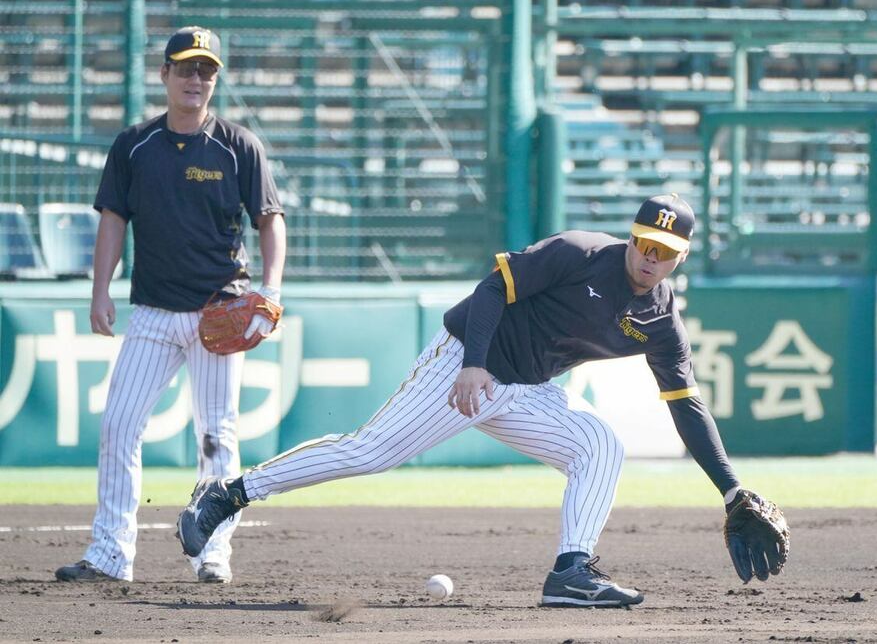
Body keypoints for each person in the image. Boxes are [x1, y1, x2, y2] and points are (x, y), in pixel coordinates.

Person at [177, 194, 773, 606]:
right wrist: (473, 364)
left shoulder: (662, 319)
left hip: (527, 389)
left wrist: (731, 490)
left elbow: (685, 405)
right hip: (469, 362)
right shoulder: (580, 252)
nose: (649, 257)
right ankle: (228, 493)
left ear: (679, 257)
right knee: (370, 452)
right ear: (632, 236)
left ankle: (572, 572)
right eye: (644, 242)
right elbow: (493, 287)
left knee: (600, 446)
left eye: (663, 251)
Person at [55, 27, 286, 584]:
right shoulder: (135, 145)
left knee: (215, 437)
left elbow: (270, 220)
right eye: (185, 68)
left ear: (215, 79)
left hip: (219, 313)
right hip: (154, 313)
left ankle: (212, 552)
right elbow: (113, 218)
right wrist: (99, 291)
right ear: (163, 75)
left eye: (206, 70)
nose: (196, 79)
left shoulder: (238, 144)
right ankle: (110, 555)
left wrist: (271, 292)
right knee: (119, 424)